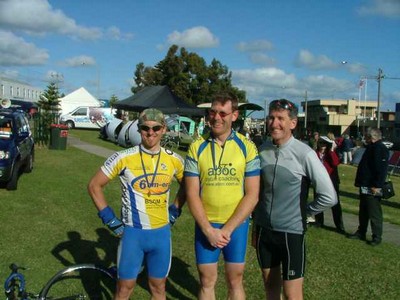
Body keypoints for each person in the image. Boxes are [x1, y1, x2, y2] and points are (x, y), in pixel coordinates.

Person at [87, 108, 185, 300]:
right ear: (139, 130)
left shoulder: (174, 159)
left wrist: (175, 210)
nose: (151, 133)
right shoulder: (123, 157)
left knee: (158, 288)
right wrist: (110, 220)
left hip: (161, 234)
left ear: (164, 129)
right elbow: (94, 185)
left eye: (156, 128)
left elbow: (189, 187)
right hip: (133, 234)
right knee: (124, 288)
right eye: (145, 128)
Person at [252, 99, 337, 300]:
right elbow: (258, 192)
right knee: (270, 288)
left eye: (281, 118)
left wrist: (305, 211)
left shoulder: (304, 153)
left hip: (291, 233)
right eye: (271, 118)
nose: (274, 123)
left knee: (292, 295)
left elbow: (328, 196)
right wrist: (256, 225)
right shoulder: (262, 150)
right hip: (264, 230)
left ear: (292, 123)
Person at [184, 92, 260, 300]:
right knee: (207, 280)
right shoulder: (196, 147)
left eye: (223, 113)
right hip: (206, 226)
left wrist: (227, 229)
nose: (216, 117)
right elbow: (191, 193)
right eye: (213, 112)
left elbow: (253, 194)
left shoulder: (247, 147)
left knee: (235, 279)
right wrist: (208, 230)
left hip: (235, 226)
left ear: (234, 115)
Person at [347, 127, 389, 246]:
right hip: (365, 185)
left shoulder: (380, 148)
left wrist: (377, 185)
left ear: (372, 137)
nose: (364, 138)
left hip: (372, 186)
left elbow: (381, 170)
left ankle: (376, 236)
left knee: (374, 212)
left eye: (366, 136)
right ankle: (361, 231)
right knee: (364, 210)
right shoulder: (372, 148)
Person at [314, 136, 345, 234]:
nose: (322, 146)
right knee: (318, 201)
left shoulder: (330, 154)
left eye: (324, 144)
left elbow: (336, 163)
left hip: (331, 181)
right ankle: (319, 222)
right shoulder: (315, 153)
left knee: (335, 203)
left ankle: (339, 225)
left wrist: (331, 150)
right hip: (318, 180)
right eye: (321, 144)